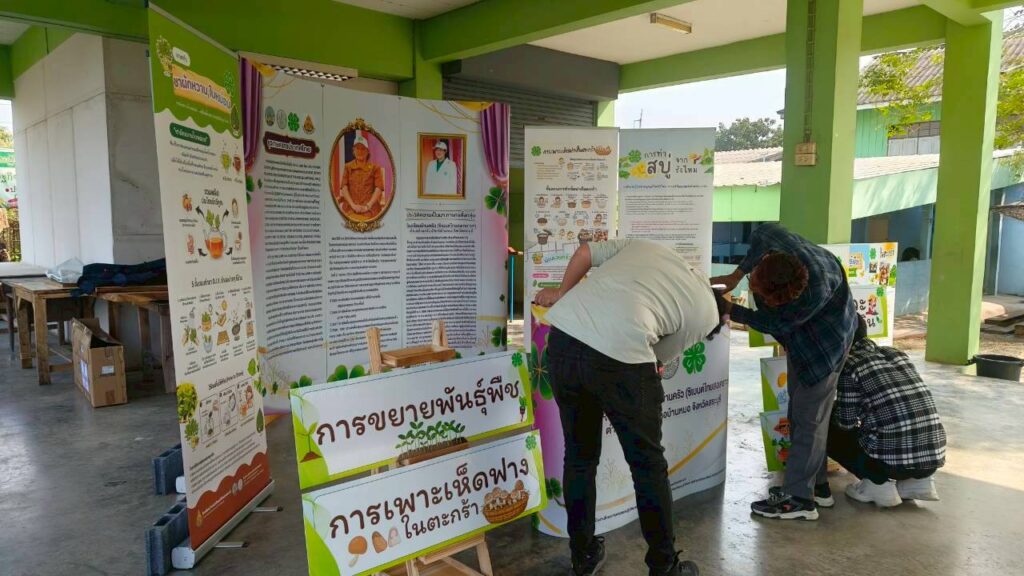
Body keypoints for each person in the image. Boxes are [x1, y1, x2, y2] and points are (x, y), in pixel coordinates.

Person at [535, 238, 725, 576]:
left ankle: (583, 556)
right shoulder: (708, 315)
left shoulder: (651, 248)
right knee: (647, 465)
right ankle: (664, 566)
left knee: (579, 456)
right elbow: (659, 358)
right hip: (619, 357)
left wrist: (563, 293)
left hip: (564, 337)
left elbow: (585, 252)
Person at [711, 223, 858, 521]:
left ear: (787, 299)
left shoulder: (812, 294)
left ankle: (799, 500)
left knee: (809, 418)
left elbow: (775, 324)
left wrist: (729, 309)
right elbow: (762, 233)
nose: (759, 298)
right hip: (804, 339)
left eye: (767, 300)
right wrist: (737, 275)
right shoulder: (777, 243)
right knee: (801, 413)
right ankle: (816, 487)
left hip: (826, 344)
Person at [829, 316, 946, 507]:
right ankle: (919, 483)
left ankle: (877, 483)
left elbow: (845, 422)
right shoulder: (896, 353)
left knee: (826, 427)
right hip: (932, 459)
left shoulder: (849, 364)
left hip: (890, 465)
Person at [337, 130, 385, 218]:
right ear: (353, 151)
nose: (360, 151)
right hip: (351, 208)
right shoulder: (348, 167)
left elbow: (379, 188)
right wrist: (353, 205)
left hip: (370, 209)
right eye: (357, 148)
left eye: (363, 149)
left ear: (367, 151)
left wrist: (368, 206)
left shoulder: (375, 168)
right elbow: (344, 187)